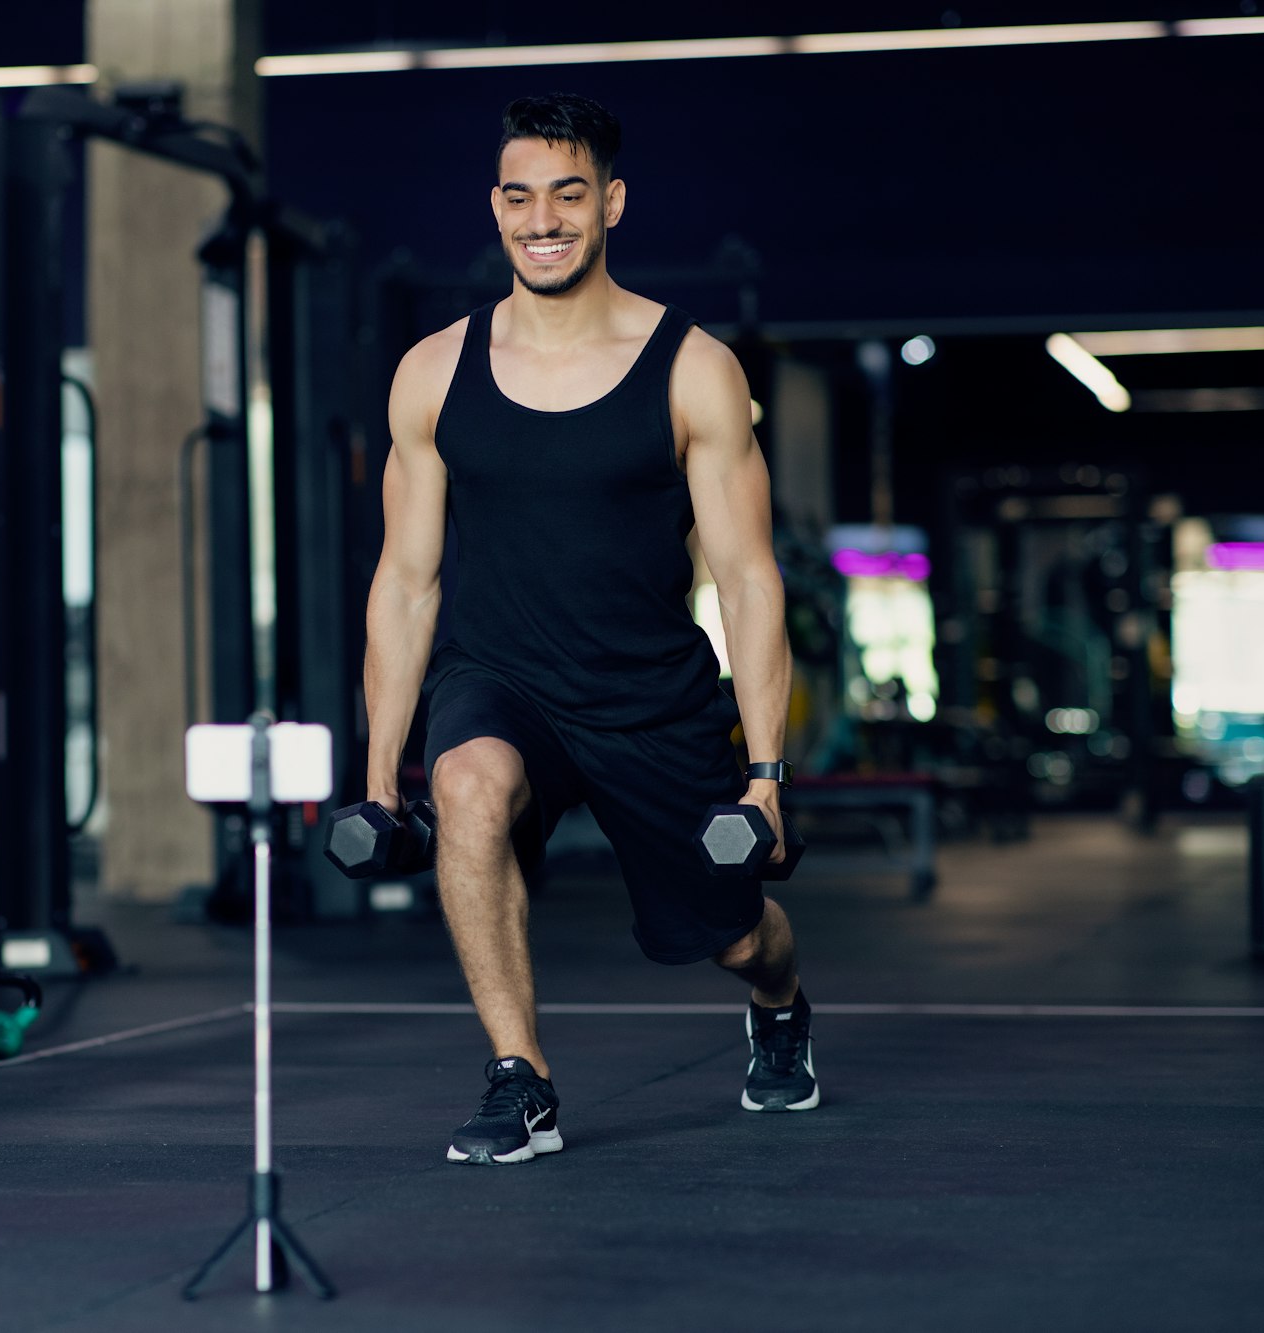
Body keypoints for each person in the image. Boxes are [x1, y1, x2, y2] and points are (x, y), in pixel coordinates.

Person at [363, 92, 816, 1166]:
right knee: (465, 783)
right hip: (499, 674)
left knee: (734, 936)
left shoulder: (693, 367)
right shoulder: (432, 372)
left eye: (566, 194)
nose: (541, 219)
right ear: (495, 208)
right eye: (519, 197)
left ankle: (783, 1001)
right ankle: (520, 1079)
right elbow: (405, 580)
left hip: (647, 693)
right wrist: (383, 773)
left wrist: (764, 774)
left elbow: (748, 581)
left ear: (609, 201)